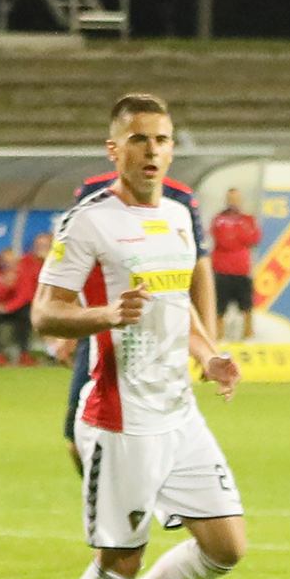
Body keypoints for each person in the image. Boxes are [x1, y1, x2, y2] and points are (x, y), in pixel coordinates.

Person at [31, 94, 244, 579]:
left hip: (179, 411)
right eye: (139, 139)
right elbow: (45, 313)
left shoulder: (177, 217)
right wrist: (104, 314)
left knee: (226, 547)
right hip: (121, 418)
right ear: (114, 149)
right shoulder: (88, 222)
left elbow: (179, 309)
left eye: (162, 139)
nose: (152, 151)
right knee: (120, 558)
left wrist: (208, 355)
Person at [63, 171, 216, 475]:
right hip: (104, 331)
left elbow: (200, 270)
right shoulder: (93, 191)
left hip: (163, 334)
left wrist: (209, 344)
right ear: (115, 150)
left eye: (159, 145)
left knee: (165, 432)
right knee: (77, 438)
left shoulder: (180, 199)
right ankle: (105, 493)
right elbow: (76, 265)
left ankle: (149, 492)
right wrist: (69, 328)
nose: (149, 152)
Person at [210, 189, 262, 341]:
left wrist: (236, 235)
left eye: (236, 198)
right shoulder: (219, 219)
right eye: (231, 198)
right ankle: (219, 338)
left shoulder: (248, 219)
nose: (233, 202)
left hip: (242, 270)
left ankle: (248, 336)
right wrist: (237, 237)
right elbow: (223, 240)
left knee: (246, 307)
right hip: (222, 270)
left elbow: (254, 237)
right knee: (220, 309)